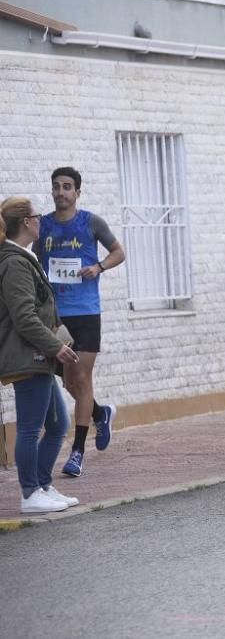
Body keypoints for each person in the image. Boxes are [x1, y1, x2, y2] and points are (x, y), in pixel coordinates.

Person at [33, 167, 125, 478]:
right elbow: (33, 263)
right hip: (55, 316)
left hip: (86, 312)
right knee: (69, 380)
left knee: (82, 379)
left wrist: (98, 267)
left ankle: (77, 453)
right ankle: (101, 413)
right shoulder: (42, 226)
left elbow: (119, 252)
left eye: (67, 187)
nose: (61, 192)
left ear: (77, 192)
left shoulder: (91, 222)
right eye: (57, 187)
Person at [0, 197, 80, 513]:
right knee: (31, 428)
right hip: (27, 357)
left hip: (39, 356)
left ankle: (43, 485)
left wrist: (60, 340)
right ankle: (30, 493)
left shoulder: (25, 257)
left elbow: (43, 311)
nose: (41, 219)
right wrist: (54, 346)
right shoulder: (14, 263)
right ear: (27, 223)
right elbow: (24, 316)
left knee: (58, 423)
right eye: (36, 215)